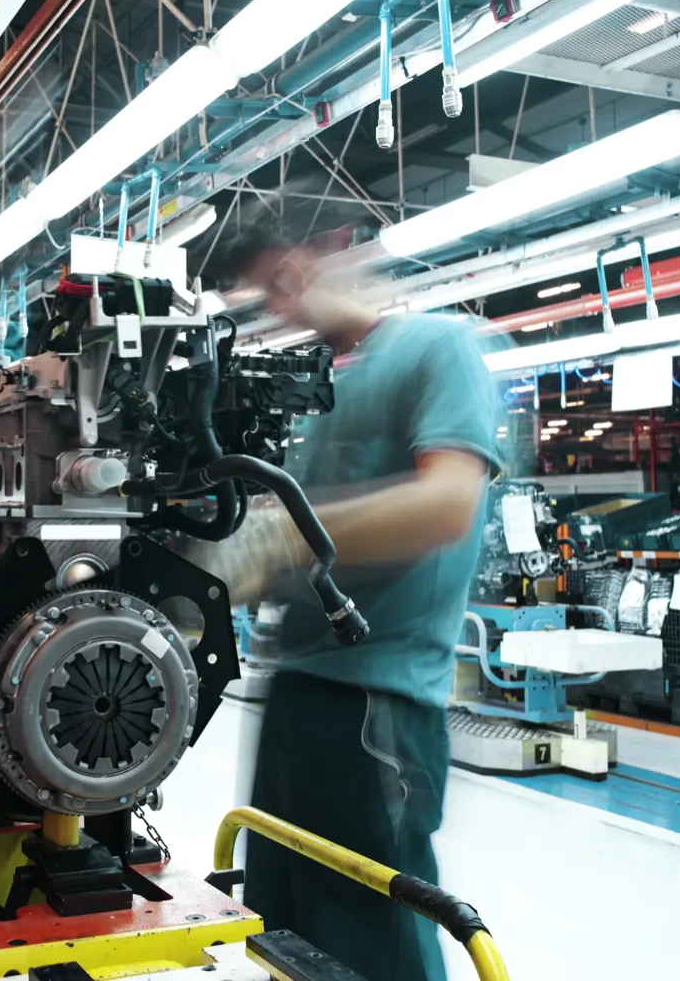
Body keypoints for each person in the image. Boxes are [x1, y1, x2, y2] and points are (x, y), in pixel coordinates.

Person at [202, 228, 499, 981]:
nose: (279, 302)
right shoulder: (316, 390)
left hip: (379, 705)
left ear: (325, 250)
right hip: (295, 694)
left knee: (374, 942)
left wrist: (281, 543)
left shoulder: (436, 348)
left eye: (279, 279)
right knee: (284, 936)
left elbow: (446, 504)